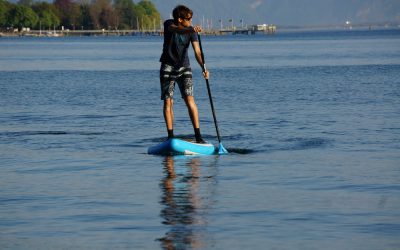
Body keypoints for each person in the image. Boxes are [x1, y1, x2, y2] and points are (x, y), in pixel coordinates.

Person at [159, 5, 209, 143]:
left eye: (191, 19)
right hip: (167, 67)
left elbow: (197, 52)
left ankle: (198, 137)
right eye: (188, 19)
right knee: (168, 101)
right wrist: (191, 29)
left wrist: (204, 67)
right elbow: (177, 29)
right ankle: (170, 137)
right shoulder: (169, 24)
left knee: (190, 100)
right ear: (180, 19)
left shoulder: (191, 31)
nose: (191, 21)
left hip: (184, 67)